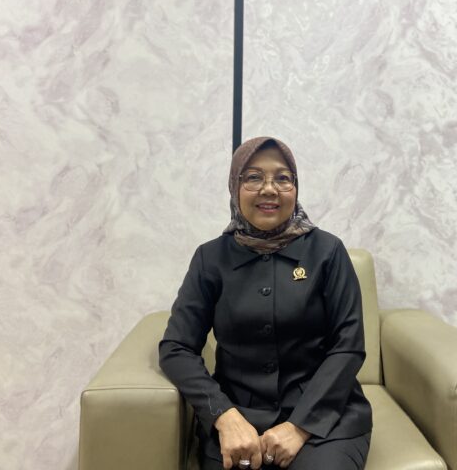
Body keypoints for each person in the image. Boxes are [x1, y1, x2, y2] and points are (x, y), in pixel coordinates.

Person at [159, 136, 372, 470]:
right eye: (254, 177)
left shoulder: (327, 252)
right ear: (235, 187)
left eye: (282, 178)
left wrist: (299, 426)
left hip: (325, 419)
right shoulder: (210, 258)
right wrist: (224, 416)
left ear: (295, 188)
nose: (269, 189)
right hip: (239, 419)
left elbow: (348, 346)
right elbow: (176, 348)